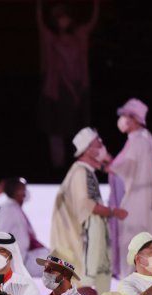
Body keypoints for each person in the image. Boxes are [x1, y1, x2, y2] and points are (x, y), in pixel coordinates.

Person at [50, 127, 125, 293]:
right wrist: (113, 212)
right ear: (88, 149)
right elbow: (86, 206)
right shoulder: (80, 172)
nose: (102, 147)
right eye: (99, 144)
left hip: (88, 246)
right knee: (86, 294)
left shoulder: (86, 171)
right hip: (81, 248)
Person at [36, 0, 99, 169]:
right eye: (59, 18)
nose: (63, 21)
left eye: (65, 17)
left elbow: (91, 23)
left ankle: (79, 162)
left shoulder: (78, 36)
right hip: (57, 89)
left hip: (77, 86)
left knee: (77, 126)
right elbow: (41, 27)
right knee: (56, 127)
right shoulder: (53, 40)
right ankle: (57, 164)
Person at [109, 98, 152, 278]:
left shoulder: (139, 140)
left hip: (136, 196)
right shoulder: (144, 137)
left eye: (125, 116)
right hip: (143, 196)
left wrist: (107, 163)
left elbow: (124, 166)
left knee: (132, 238)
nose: (122, 120)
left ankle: (131, 277)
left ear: (134, 118)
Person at [0, 177, 48, 276]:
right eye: (23, 189)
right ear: (17, 192)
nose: (26, 192)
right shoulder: (7, 210)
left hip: (27, 257)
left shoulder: (15, 207)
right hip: (22, 262)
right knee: (60, 266)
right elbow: (0, 237)